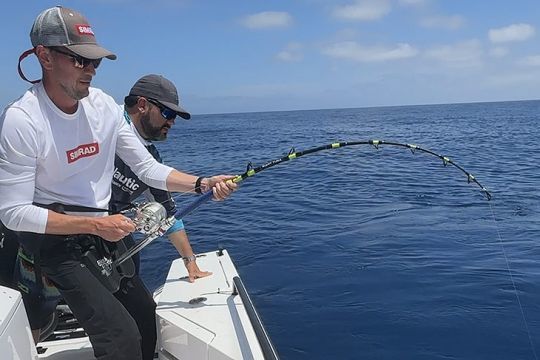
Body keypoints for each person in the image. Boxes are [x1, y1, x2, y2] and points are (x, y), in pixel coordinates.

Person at [0, 6, 236, 360]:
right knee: (120, 338)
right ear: (44, 57)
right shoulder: (22, 120)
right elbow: (13, 213)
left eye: (95, 62)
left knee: (144, 322)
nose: (91, 70)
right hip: (54, 242)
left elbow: (148, 169)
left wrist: (203, 183)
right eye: (80, 60)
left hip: (101, 234)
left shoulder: (104, 107)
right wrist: (95, 223)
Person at [111, 74, 211, 283]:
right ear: (142, 105)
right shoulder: (104, 121)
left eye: (174, 116)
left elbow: (169, 214)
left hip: (112, 234)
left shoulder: (151, 158)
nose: (172, 122)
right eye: (168, 113)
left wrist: (190, 262)